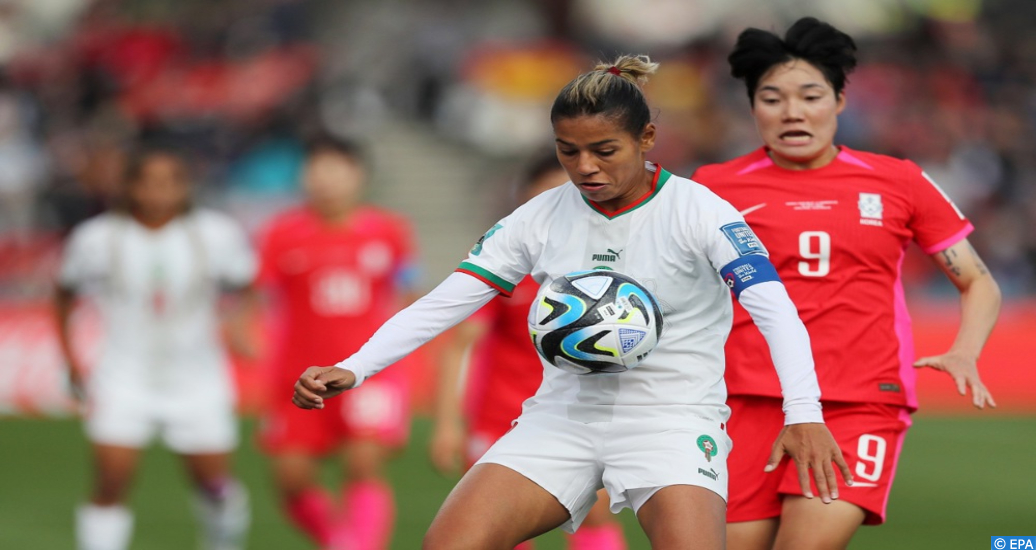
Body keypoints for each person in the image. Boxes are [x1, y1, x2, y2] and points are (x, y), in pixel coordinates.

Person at [293, 55, 852, 550]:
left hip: (672, 422)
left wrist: (803, 413)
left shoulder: (702, 212)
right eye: (569, 151)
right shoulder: (538, 217)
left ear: (647, 137)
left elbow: (775, 309)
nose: (585, 167)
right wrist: (355, 366)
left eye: (604, 150)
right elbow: (448, 301)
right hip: (561, 420)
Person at [691, 17, 1002, 550]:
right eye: (772, 98)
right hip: (743, 400)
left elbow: (977, 279)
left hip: (858, 400)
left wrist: (965, 350)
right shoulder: (711, 187)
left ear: (839, 101)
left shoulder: (898, 181)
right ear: (752, 108)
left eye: (810, 95)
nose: (792, 111)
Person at [55, 146, 255, 550]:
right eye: (148, 182)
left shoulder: (216, 234)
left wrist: (238, 324)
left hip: (197, 377)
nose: (158, 192)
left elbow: (246, 284)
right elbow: (63, 294)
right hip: (124, 375)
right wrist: (71, 358)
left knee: (214, 485)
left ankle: (223, 542)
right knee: (110, 480)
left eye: (170, 182)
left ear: (186, 187)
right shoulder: (98, 237)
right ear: (131, 186)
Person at [429, 152, 627, 550]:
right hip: (500, 419)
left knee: (595, 515)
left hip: (579, 416)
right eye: (549, 195)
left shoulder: (607, 271)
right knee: (495, 527)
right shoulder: (506, 261)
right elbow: (461, 344)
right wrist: (448, 422)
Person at [256, 135, 421, 550]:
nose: (326, 179)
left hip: (369, 371)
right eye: (316, 169)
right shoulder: (281, 234)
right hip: (298, 372)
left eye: (336, 169)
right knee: (291, 479)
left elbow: (409, 295)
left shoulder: (390, 232)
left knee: (363, 463)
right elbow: (259, 299)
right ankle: (339, 540)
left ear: (358, 175)